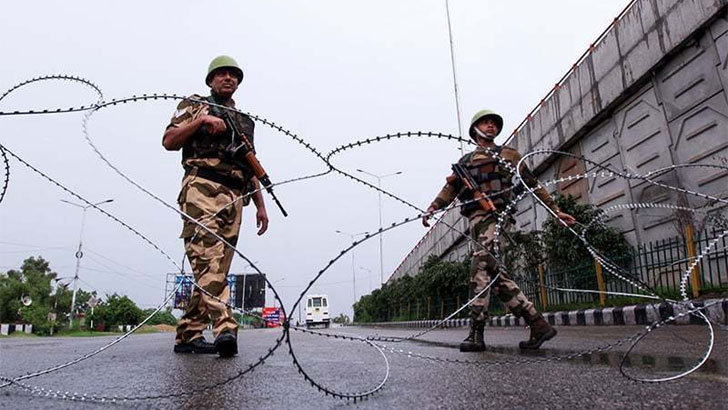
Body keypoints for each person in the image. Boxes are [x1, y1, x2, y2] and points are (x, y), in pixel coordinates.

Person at [422, 109, 576, 352]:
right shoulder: (466, 162)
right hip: (476, 220)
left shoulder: (509, 155)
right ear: (475, 129)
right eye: (486, 122)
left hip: (497, 217)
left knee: (480, 266)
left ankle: (476, 333)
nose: (491, 126)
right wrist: (433, 207)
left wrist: (556, 210)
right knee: (495, 277)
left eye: (494, 123)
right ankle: (537, 324)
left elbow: (532, 183)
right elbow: (449, 189)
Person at [163, 55, 269, 357]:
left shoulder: (243, 121)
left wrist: (260, 205)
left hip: (235, 197)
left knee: (215, 268)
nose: (228, 79)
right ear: (211, 80)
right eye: (222, 74)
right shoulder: (195, 105)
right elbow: (169, 140)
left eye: (233, 75)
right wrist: (201, 121)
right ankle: (225, 328)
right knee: (208, 259)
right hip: (202, 189)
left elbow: (251, 165)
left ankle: (188, 335)